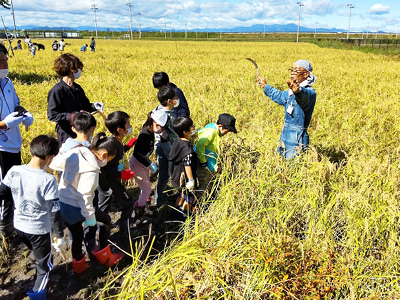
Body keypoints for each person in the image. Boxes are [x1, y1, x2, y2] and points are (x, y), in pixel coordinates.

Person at [50, 133, 123, 274]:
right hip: (76, 206)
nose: (106, 163)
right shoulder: (92, 167)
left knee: (77, 236)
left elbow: (54, 163)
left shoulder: (77, 151)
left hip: (63, 203)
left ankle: (79, 266)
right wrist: (90, 218)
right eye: (109, 160)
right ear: (104, 155)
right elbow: (85, 195)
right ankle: (105, 256)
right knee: (106, 221)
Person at [0, 135, 59, 300]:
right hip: (39, 229)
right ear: (49, 157)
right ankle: (38, 295)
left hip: (19, 225)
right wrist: (59, 234)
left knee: (38, 254)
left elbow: (2, 193)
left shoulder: (14, 171)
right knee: (44, 266)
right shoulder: (48, 180)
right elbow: (54, 210)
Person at [0, 43, 34, 238]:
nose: (4, 65)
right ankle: (4, 227)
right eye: (0, 62)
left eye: (5, 60)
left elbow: (16, 104)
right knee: (3, 188)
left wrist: (23, 113)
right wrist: (4, 124)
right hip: (1, 146)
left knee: (12, 185)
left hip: (13, 143)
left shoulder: (8, 82)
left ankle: (8, 222)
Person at [51, 111, 97, 253]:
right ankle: (91, 249)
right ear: (93, 129)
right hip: (80, 200)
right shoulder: (89, 151)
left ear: (73, 129)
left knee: (75, 233)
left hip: (65, 198)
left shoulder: (67, 145)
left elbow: (55, 164)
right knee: (91, 224)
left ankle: (77, 260)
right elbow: (86, 191)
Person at [257, 60, 317, 159]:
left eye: (296, 70)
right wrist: (265, 86)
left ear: (306, 74)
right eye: (292, 70)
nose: (292, 73)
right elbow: (279, 95)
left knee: (293, 169)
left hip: (297, 138)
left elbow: (304, 97)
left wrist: (298, 92)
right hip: (285, 134)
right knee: (280, 166)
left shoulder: (309, 92)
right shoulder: (290, 93)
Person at [47, 53, 104, 147]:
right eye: (77, 68)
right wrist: (71, 116)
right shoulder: (56, 91)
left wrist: (94, 106)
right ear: (70, 69)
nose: (79, 71)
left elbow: (85, 106)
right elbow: (52, 115)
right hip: (66, 132)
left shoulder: (77, 88)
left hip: (82, 130)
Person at [100, 111, 136, 247]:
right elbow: (102, 168)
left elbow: (117, 154)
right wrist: (121, 175)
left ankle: (104, 239)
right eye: (128, 124)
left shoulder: (117, 142)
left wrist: (128, 146)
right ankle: (124, 237)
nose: (130, 126)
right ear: (120, 129)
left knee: (104, 209)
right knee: (127, 204)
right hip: (106, 181)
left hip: (111, 179)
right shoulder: (110, 145)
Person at [129, 110, 167, 211]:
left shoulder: (150, 130)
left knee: (146, 185)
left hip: (141, 163)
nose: (160, 128)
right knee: (147, 189)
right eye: (159, 125)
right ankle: (139, 208)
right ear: (152, 122)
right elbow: (137, 153)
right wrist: (149, 163)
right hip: (137, 163)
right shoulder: (144, 134)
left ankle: (146, 201)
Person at [195, 113, 237, 197]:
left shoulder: (214, 131)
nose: (226, 133)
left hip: (207, 165)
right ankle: (195, 206)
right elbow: (200, 145)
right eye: (227, 131)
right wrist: (203, 162)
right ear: (221, 126)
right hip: (202, 165)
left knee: (206, 184)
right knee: (202, 186)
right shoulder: (211, 132)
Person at [152, 85, 179, 206]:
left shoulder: (159, 109)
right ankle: (160, 201)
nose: (177, 99)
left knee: (164, 173)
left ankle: (160, 198)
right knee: (167, 172)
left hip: (165, 145)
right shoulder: (164, 115)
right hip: (166, 147)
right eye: (175, 97)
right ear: (169, 101)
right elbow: (163, 136)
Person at [170, 117, 198, 214]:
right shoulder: (187, 149)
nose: (193, 128)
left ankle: (175, 210)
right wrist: (191, 180)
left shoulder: (177, 141)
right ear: (185, 132)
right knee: (190, 198)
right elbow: (187, 164)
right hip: (184, 178)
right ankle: (182, 215)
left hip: (176, 176)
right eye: (191, 127)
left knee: (181, 194)